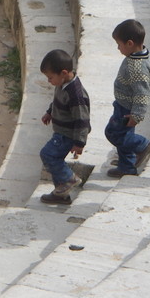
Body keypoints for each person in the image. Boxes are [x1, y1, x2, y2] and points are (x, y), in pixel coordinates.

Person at [39, 48, 90, 205]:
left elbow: (82, 119)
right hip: (61, 131)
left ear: (63, 73)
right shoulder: (62, 84)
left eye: (50, 77)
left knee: (48, 154)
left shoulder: (75, 94)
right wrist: (50, 112)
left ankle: (69, 179)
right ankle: (61, 194)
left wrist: (79, 143)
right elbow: (57, 100)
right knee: (55, 159)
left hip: (68, 134)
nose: (49, 81)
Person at [106, 19, 150, 177]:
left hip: (127, 109)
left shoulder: (137, 67)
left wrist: (137, 115)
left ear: (129, 43)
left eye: (119, 44)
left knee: (114, 133)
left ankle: (142, 145)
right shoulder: (137, 56)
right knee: (124, 135)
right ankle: (126, 166)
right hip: (123, 104)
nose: (118, 48)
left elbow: (142, 93)